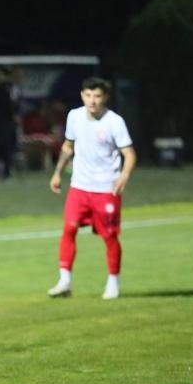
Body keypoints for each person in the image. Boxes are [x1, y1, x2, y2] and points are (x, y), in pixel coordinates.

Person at [48, 77, 136, 300]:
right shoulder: (74, 116)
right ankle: (64, 281)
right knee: (69, 229)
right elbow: (68, 146)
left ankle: (113, 282)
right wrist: (58, 172)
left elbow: (129, 153)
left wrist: (123, 176)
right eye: (88, 95)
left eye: (97, 96)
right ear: (82, 95)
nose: (92, 101)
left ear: (105, 97)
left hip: (106, 188)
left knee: (109, 236)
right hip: (79, 186)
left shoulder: (114, 122)